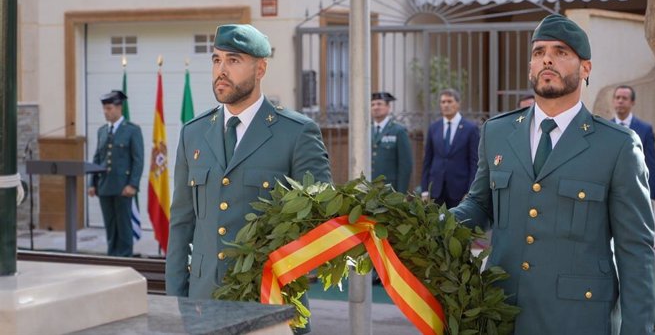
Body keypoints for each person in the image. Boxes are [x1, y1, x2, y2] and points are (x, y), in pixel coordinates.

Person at [450, 14, 655, 334]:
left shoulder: (617, 146)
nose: (547, 58)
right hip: (503, 313)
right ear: (531, 67)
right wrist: (431, 224)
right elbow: (479, 206)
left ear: (585, 68)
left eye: (561, 52)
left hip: (578, 320)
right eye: (538, 52)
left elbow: (636, 251)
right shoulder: (497, 132)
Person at [165, 24, 331, 308]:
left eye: (233, 60)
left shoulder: (296, 133)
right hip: (204, 300)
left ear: (260, 69)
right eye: (217, 60)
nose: (221, 70)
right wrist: (176, 298)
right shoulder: (194, 132)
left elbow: (319, 221)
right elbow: (181, 223)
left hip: (269, 298)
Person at [88, 90, 144, 257]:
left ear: (119, 108)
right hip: (104, 187)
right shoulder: (102, 131)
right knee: (110, 228)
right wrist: (92, 184)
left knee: (124, 228)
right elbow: (97, 158)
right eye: (104, 108)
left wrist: (133, 184)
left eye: (109, 108)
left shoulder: (132, 130)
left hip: (123, 188)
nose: (106, 112)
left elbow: (138, 160)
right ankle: (112, 259)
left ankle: (126, 259)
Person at [421, 88, 480, 208]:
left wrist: (470, 191)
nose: (446, 105)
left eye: (449, 101)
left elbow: (474, 162)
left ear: (458, 104)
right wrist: (425, 190)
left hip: (459, 190)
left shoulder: (470, 128)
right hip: (436, 190)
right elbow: (427, 160)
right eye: (443, 102)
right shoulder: (434, 128)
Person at [611, 85, 655, 201]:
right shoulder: (604, 127)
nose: (620, 101)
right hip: (609, 191)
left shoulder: (645, 129)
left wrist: (650, 196)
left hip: (635, 193)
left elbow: (650, 164)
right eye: (617, 98)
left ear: (632, 102)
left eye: (624, 98)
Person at [371, 92, 412, 192]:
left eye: (379, 104)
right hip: (369, 189)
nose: (375, 107)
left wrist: (401, 193)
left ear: (388, 107)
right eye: (373, 104)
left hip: (389, 190)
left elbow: (405, 165)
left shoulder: (398, 130)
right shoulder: (366, 131)